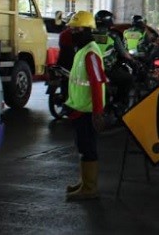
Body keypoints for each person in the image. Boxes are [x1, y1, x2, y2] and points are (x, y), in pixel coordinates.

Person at [63, 11, 107, 201]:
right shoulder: (82, 49)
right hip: (79, 109)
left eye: (77, 29)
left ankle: (90, 187)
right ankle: (84, 182)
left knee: (88, 148)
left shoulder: (90, 53)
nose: (73, 33)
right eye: (72, 29)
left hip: (88, 111)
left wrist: (98, 113)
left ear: (88, 30)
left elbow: (97, 83)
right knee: (82, 147)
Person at [93, 10, 134, 113]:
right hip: (106, 69)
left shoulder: (89, 34)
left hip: (91, 67)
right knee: (128, 79)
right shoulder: (113, 36)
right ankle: (118, 103)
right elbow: (123, 53)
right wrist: (133, 60)